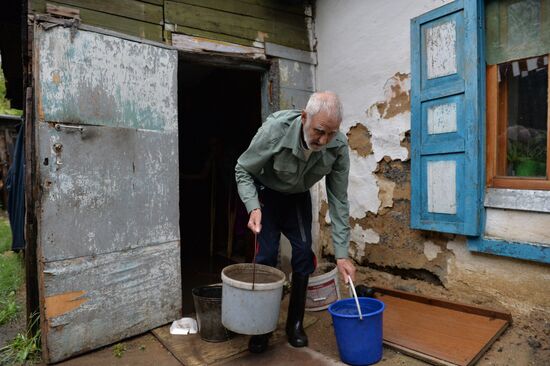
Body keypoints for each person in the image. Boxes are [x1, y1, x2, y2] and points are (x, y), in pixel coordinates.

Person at [235, 91, 356, 353]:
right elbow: (243, 169)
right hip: (266, 196)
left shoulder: (337, 147)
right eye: (319, 131)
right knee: (266, 258)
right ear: (304, 118)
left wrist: (342, 254)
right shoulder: (275, 130)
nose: (324, 140)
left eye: (331, 133)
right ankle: (261, 328)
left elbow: (338, 200)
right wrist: (253, 206)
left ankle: (295, 324)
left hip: (297, 199)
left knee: (303, 255)